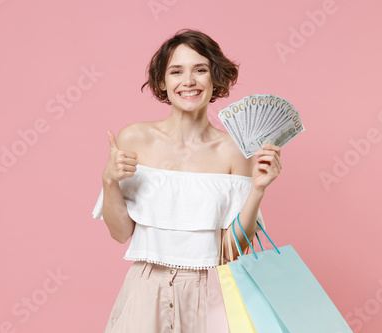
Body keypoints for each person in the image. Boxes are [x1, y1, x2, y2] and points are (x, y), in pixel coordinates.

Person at [92, 29, 282, 332]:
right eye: (176, 71)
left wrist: (257, 190)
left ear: (215, 78)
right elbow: (120, 233)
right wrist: (109, 180)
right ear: (162, 82)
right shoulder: (134, 138)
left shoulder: (234, 151)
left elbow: (231, 251)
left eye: (200, 70)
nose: (188, 81)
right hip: (145, 288)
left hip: (211, 292)